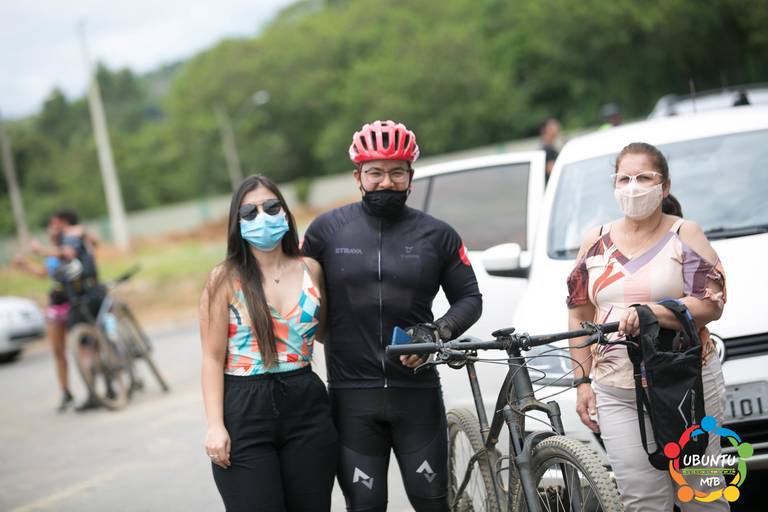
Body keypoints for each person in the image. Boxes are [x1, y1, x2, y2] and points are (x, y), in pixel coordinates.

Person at [302, 120, 483, 512]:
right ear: (358, 177)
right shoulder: (325, 231)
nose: (386, 182)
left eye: (397, 172)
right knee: (365, 505)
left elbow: (470, 298)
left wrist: (436, 332)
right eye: (376, 173)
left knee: (432, 504)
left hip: (416, 394)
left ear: (410, 176)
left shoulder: (438, 235)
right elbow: (291, 291)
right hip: (351, 396)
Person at [566, 142, 729, 511]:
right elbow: (578, 315)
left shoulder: (684, 234)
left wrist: (652, 313)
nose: (633, 187)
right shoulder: (595, 242)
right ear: (614, 185)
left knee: (702, 494)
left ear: (664, 186)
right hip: (617, 390)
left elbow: (711, 304)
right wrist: (582, 382)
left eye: (644, 178)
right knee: (642, 501)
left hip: (687, 385)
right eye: (624, 178)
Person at [200, 175, 337, 512]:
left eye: (272, 207)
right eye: (249, 212)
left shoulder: (311, 270)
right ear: (237, 224)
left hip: (307, 405)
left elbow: (325, 333)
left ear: (285, 212)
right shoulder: (223, 279)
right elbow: (212, 358)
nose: (262, 217)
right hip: (244, 408)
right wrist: (215, 426)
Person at [13, 223, 73, 412]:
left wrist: (40, 250)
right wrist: (25, 265)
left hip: (75, 301)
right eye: (50, 228)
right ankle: (65, 392)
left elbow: (66, 254)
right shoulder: (49, 256)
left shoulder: (71, 246)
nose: (51, 231)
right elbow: (42, 273)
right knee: (58, 351)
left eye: (55, 227)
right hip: (57, 303)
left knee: (85, 345)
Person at [539, 117, 561, 184]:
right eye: (552, 126)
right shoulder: (546, 151)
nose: (556, 128)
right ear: (544, 129)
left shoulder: (550, 149)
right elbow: (554, 172)